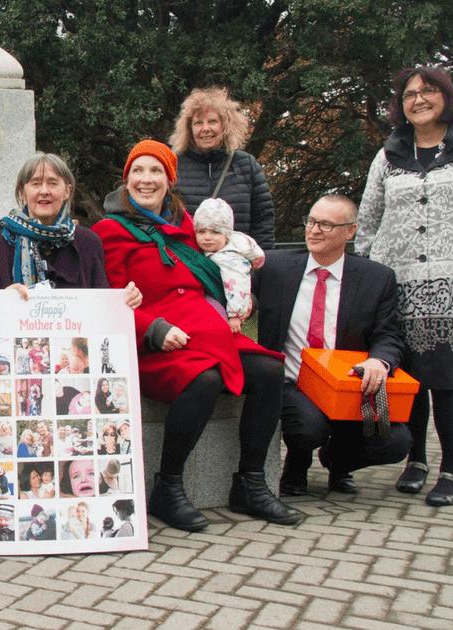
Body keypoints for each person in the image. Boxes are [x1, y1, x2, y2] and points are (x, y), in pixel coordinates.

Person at [93, 139, 301, 531]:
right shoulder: (110, 230)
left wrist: (237, 301)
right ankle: (168, 487)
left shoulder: (187, 224)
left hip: (208, 331)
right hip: (157, 342)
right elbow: (109, 299)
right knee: (203, 378)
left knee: (269, 371)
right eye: (138, 170)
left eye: (156, 171)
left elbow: (217, 270)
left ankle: (251, 484)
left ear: (169, 180)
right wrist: (152, 328)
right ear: (126, 179)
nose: (146, 179)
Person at [356, 66, 453, 507]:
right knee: (409, 375)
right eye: (410, 94)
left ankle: (452, 468)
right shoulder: (389, 155)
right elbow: (368, 218)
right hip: (400, 286)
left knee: (447, 379)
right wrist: (371, 268)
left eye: (428, 91)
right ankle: (415, 459)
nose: (418, 99)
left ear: (447, 97)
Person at [256, 195, 411, 497]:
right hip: (293, 382)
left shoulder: (377, 278)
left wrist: (380, 361)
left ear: (349, 231)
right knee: (306, 428)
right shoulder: (273, 266)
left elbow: (389, 335)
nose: (314, 230)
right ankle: (296, 463)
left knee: (397, 441)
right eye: (311, 221)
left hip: (349, 386)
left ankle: (337, 461)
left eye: (326, 225)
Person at [169, 87, 275, 250]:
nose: (205, 128)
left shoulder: (246, 165)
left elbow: (263, 221)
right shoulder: (173, 165)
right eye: (198, 122)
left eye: (212, 121)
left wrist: (260, 267)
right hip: (189, 265)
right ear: (189, 128)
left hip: (237, 267)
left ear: (225, 125)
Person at [193, 198, 266, 334]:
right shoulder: (213, 251)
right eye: (202, 231)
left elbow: (239, 285)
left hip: (231, 310)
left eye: (215, 232)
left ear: (226, 235)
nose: (207, 237)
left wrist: (235, 315)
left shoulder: (231, 258)